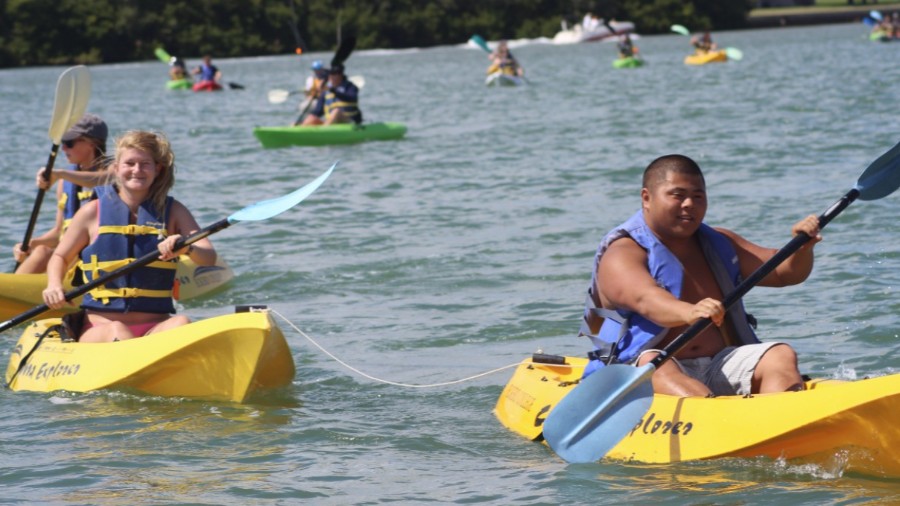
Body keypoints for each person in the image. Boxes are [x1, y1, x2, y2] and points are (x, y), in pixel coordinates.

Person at [579, 154, 821, 398]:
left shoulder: (720, 242)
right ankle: (714, 412)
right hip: (641, 369)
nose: (689, 204)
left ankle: (780, 413)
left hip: (718, 363)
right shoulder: (621, 253)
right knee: (655, 365)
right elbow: (646, 299)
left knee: (780, 355)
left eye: (698, 196)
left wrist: (801, 248)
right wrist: (689, 312)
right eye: (677, 195)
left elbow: (783, 273)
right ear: (646, 198)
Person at [41, 130, 217, 343]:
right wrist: (54, 285)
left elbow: (209, 257)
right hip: (101, 327)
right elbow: (59, 256)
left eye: (145, 164)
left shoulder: (174, 211)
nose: (137, 170)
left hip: (155, 326)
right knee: (118, 331)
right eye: (130, 163)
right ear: (116, 168)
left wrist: (187, 247)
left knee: (182, 322)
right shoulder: (91, 212)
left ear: (157, 169)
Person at [13, 114, 110, 274]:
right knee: (40, 250)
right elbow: (59, 232)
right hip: (67, 258)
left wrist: (59, 174)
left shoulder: (117, 172)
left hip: (94, 259)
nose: (64, 148)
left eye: (69, 143)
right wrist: (30, 244)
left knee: (43, 252)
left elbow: (100, 179)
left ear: (92, 143)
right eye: (63, 143)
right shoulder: (65, 182)